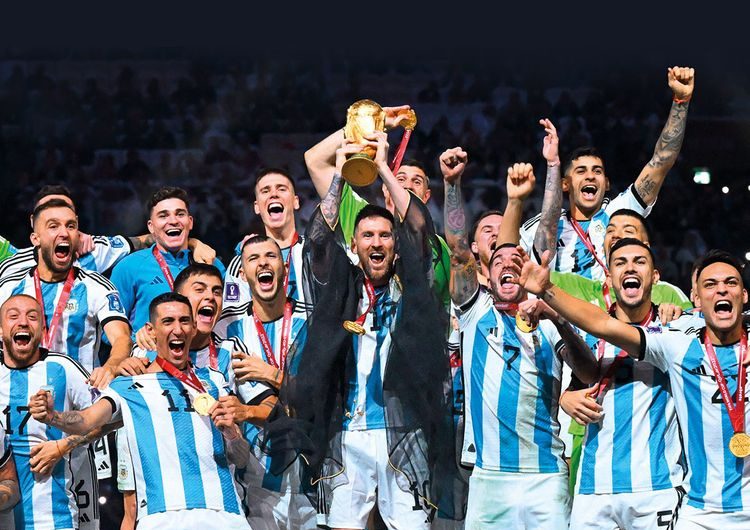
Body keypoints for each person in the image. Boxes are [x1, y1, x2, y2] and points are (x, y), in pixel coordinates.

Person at [276, 137, 459, 530]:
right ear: (354, 245)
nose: (377, 242)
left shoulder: (413, 286)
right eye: (368, 236)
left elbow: (420, 227)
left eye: (385, 235)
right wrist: (341, 176)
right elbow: (317, 240)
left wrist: (384, 169)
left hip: (405, 431)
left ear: (396, 246)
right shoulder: (340, 288)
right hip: (349, 433)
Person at [519, 248, 750, 527]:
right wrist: (547, 290)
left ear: (744, 295)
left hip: (664, 489)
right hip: (693, 511)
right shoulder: (676, 343)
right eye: (710, 284)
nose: (722, 290)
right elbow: (602, 324)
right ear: (697, 298)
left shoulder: (680, 325)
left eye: (731, 283)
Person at [443, 151, 598, 528]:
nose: (506, 265)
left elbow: (589, 373)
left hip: (545, 476)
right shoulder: (475, 311)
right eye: (497, 262)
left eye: (515, 261)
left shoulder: (548, 316)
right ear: (487, 272)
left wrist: (558, 319)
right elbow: (458, 249)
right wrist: (451, 184)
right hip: (489, 477)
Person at [28, 292, 251, 530]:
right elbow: (86, 420)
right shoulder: (128, 386)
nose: (178, 329)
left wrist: (232, 435)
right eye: (168, 321)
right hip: (162, 519)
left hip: (225, 515)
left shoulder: (215, 381)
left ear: (194, 327)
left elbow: (241, 458)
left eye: (185, 321)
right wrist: (53, 416)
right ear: (151, 331)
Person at [520, 67, 696, 282]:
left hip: (614, 302)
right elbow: (503, 255)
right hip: (560, 303)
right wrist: (552, 165)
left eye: (597, 171)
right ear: (565, 184)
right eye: (581, 171)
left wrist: (680, 101)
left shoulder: (619, 213)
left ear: (607, 183)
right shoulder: (541, 225)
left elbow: (661, 161)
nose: (590, 176)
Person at [564, 239, 685, 528]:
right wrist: (565, 398)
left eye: (639, 261)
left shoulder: (676, 329)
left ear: (655, 276)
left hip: (656, 487)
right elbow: (577, 385)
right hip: (594, 488)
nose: (630, 268)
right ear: (609, 278)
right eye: (620, 263)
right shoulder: (589, 333)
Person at [304, 107, 452, 309]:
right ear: (385, 188)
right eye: (400, 179)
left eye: (416, 181)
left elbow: (417, 225)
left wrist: (384, 168)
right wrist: (369, 123)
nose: (407, 186)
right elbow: (315, 161)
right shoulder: (363, 219)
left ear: (426, 197)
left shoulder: (435, 245)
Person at [216, 236, 316, 530]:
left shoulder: (314, 320)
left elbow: (323, 394)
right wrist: (143, 338)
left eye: (270, 256)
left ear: (284, 266)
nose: (262, 263)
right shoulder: (226, 328)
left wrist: (271, 374)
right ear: (243, 273)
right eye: (253, 258)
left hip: (315, 471)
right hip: (257, 477)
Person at [0, 198, 132, 388]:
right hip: (21, 393)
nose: (64, 233)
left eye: (71, 226)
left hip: (82, 395)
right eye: (53, 226)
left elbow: (121, 338)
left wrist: (110, 367)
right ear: (35, 239)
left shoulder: (97, 287)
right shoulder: (9, 287)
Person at [0, 294, 100, 530]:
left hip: (54, 517)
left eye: (32, 317)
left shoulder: (63, 368)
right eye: (13, 316)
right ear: (0, 329)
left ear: (42, 330)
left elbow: (108, 418)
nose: (23, 322)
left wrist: (63, 446)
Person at [0, 184, 217, 279]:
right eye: (50, 219)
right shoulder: (11, 264)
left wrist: (193, 243)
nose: (62, 229)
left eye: (68, 220)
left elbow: (151, 238)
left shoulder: (95, 250)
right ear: (34, 223)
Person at [110, 186, 226, 336]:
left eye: (180, 214)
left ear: (190, 222)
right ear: (151, 226)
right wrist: (136, 340)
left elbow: (230, 314)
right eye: (163, 216)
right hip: (150, 351)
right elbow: (110, 329)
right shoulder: (129, 267)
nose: (173, 221)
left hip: (205, 350)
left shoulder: (211, 263)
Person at [223, 168, 308, 310]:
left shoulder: (315, 252)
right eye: (265, 191)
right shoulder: (240, 263)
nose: (274, 194)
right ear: (256, 207)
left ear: (296, 202)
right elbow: (233, 315)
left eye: (282, 189)